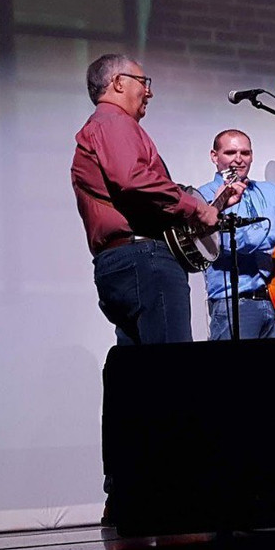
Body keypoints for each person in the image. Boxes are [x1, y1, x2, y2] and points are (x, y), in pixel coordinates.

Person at [72, 53, 232, 346]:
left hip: (122, 261)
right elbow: (132, 180)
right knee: (171, 373)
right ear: (118, 83)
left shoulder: (101, 126)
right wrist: (196, 207)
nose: (149, 91)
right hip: (145, 260)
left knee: (141, 377)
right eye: (143, 82)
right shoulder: (113, 122)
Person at [198, 129, 275, 340]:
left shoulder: (271, 191)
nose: (238, 159)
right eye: (230, 152)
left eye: (245, 153)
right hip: (234, 304)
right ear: (214, 156)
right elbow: (228, 241)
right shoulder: (206, 196)